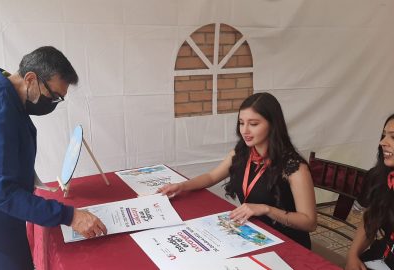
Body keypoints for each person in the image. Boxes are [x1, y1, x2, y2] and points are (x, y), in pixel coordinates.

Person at [0, 46, 107, 270]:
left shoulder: (0, 93)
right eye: (54, 96)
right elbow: (1, 191)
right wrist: (69, 215)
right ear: (30, 78)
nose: (53, 103)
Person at [159, 92, 317, 249]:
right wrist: (181, 186)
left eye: (253, 124)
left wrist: (266, 209)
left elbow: (309, 222)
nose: (245, 130)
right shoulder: (242, 153)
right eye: (241, 123)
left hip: (288, 243)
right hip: (254, 235)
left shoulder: (294, 167)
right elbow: (212, 176)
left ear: (273, 124)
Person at [345, 114, 394, 270]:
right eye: (383, 135)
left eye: (393, 137)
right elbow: (370, 218)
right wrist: (353, 255)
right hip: (384, 256)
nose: (382, 142)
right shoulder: (380, 177)